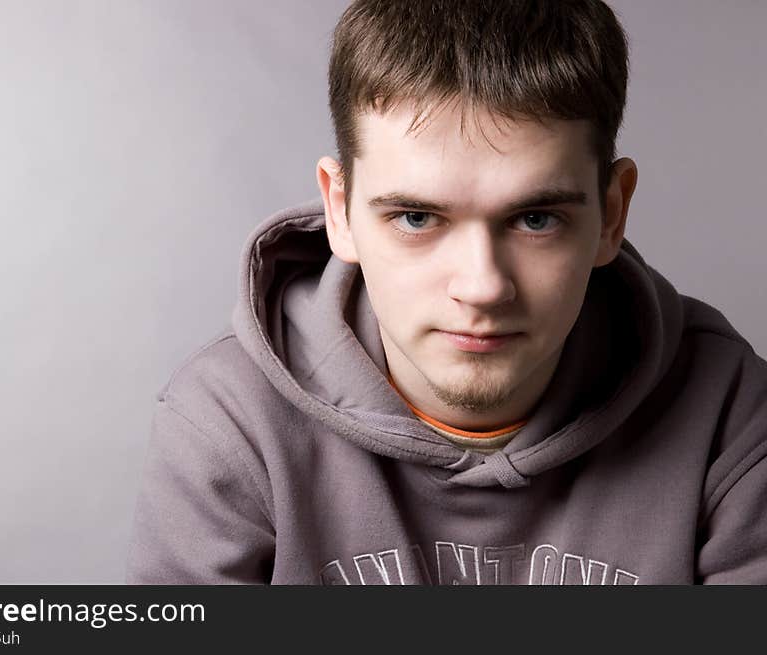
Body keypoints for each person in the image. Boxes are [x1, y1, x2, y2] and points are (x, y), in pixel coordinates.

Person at [126, 0, 767, 584]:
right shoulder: (228, 423)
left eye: (536, 218)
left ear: (612, 215)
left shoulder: (729, 411)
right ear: (341, 212)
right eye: (416, 218)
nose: (482, 286)